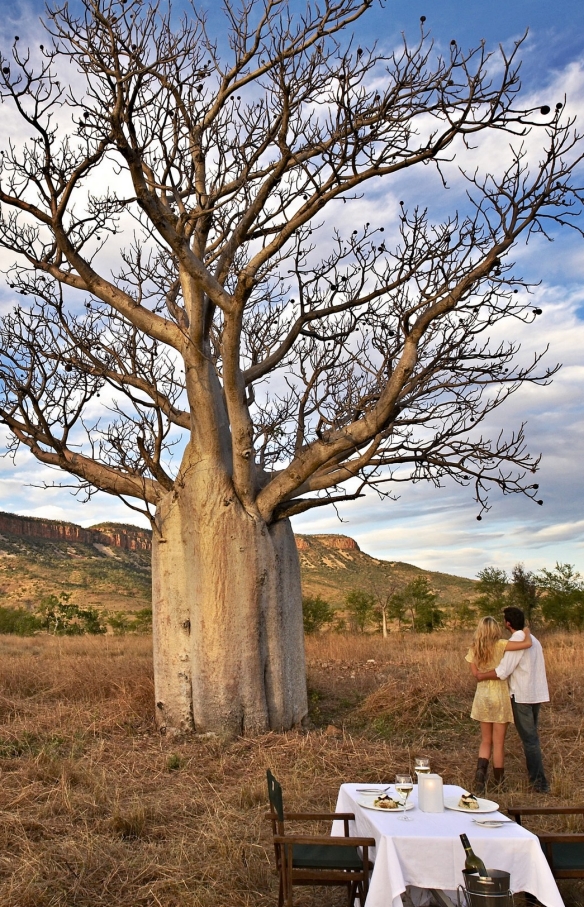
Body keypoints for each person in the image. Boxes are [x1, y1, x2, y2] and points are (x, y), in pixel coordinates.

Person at [473, 606, 550, 793]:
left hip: (520, 695)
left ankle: (539, 782)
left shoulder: (514, 642)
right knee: (528, 738)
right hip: (536, 694)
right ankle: (506, 782)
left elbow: (503, 671)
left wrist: (482, 676)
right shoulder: (532, 640)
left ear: (507, 623)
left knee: (528, 739)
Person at [466, 616, 532, 793]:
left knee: (486, 740)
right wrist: (525, 630)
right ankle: (499, 782)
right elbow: (526, 644)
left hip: (482, 696)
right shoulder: (501, 645)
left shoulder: (474, 648)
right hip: (500, 695)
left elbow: (476, 673)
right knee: (499, 743)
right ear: (495, 629)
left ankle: (480, 779)